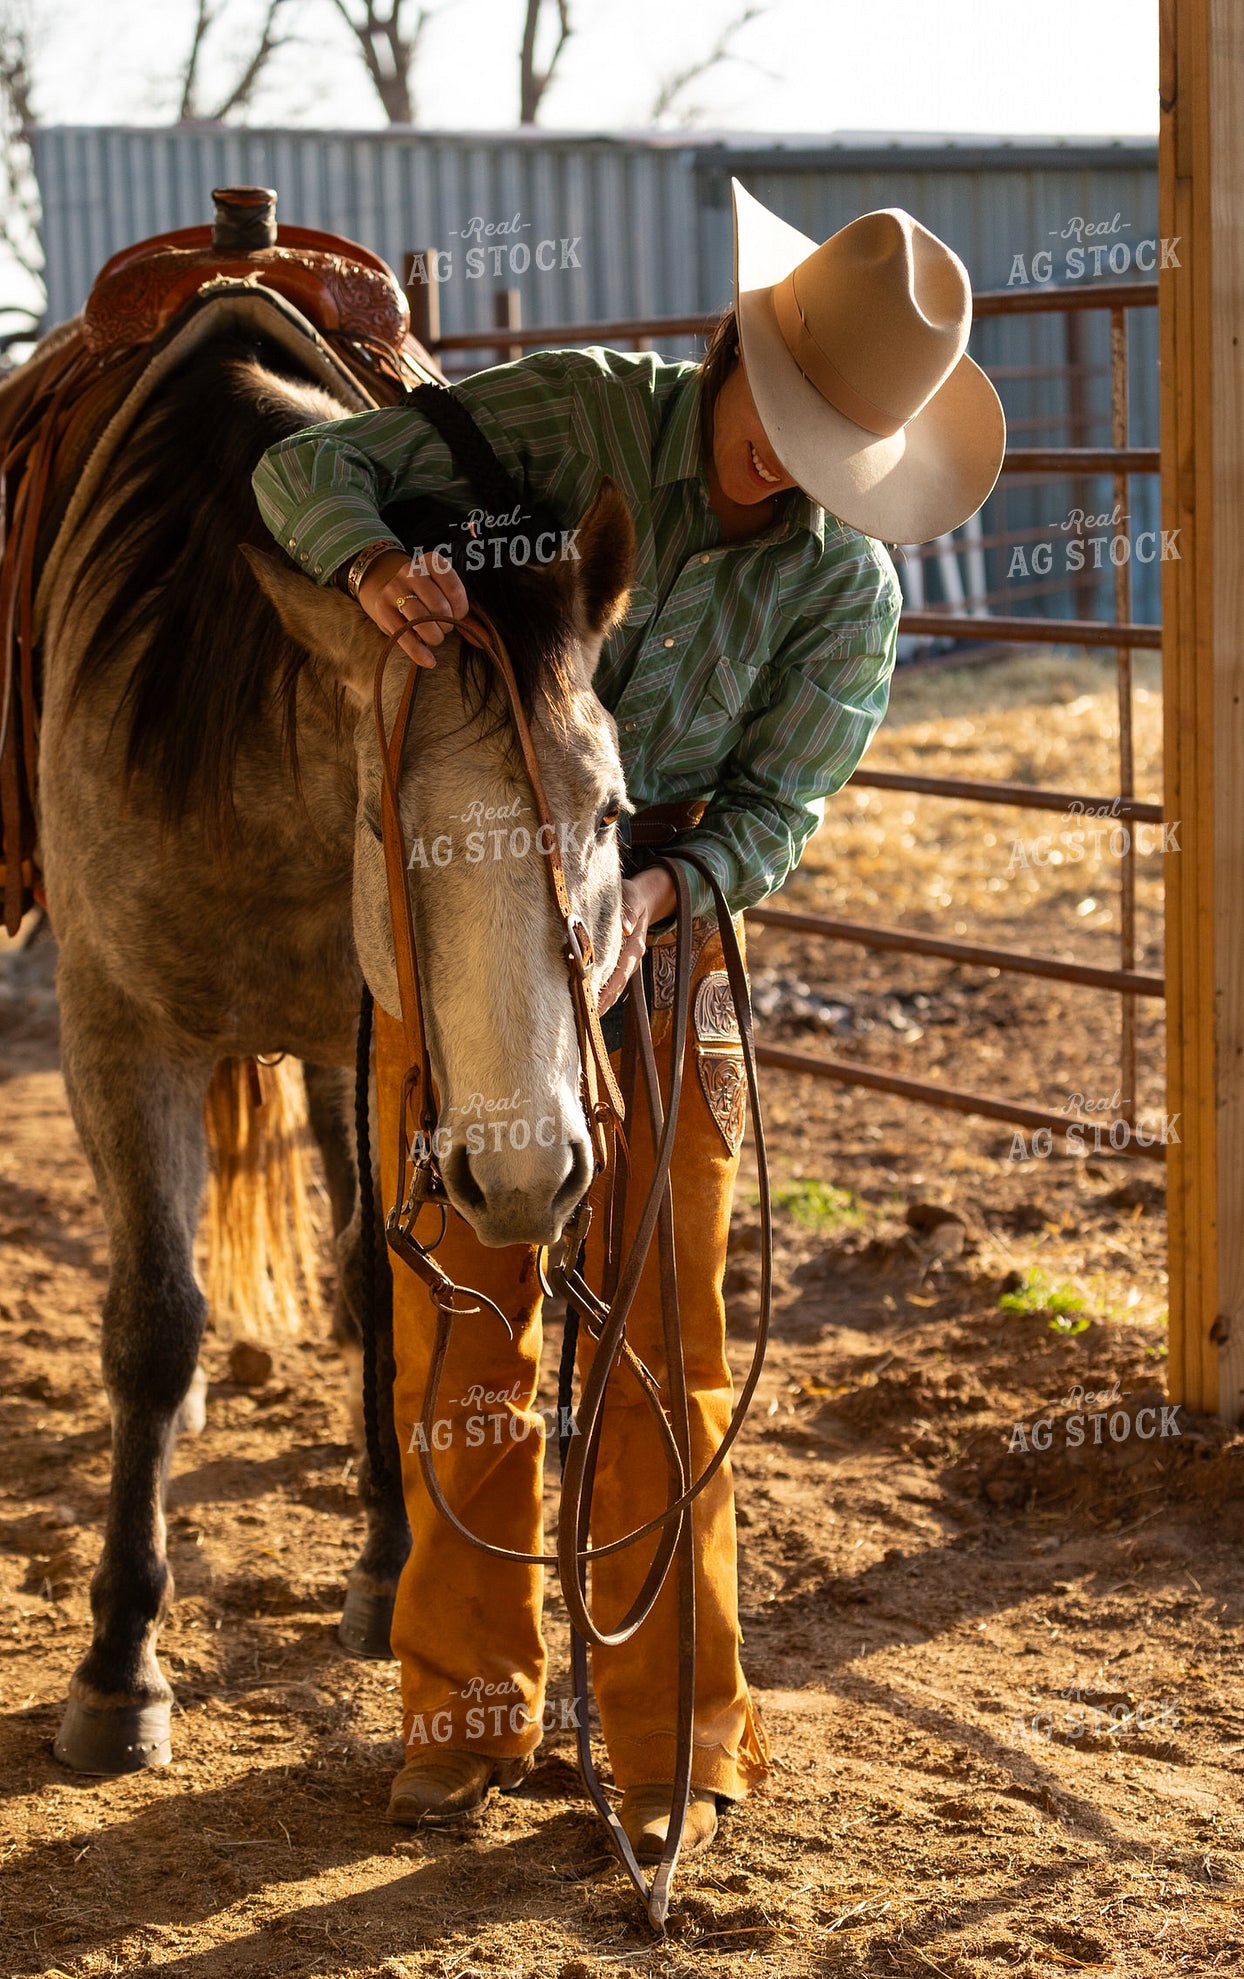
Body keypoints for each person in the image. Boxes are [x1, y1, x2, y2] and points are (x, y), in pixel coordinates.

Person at [253, 183, 1004, 1863]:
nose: (779, 467)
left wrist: (654, 905)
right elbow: (307, 469)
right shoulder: (584, 409)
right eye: (777, 422)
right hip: (471, 908)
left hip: (656, 937)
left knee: (669, 1338)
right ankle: (462, 1710)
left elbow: (774, 809)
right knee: (462, 1321)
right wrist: (375, 561)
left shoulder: (844, 595)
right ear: (738, 347)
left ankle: (672, 1731)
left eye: (826, 456)